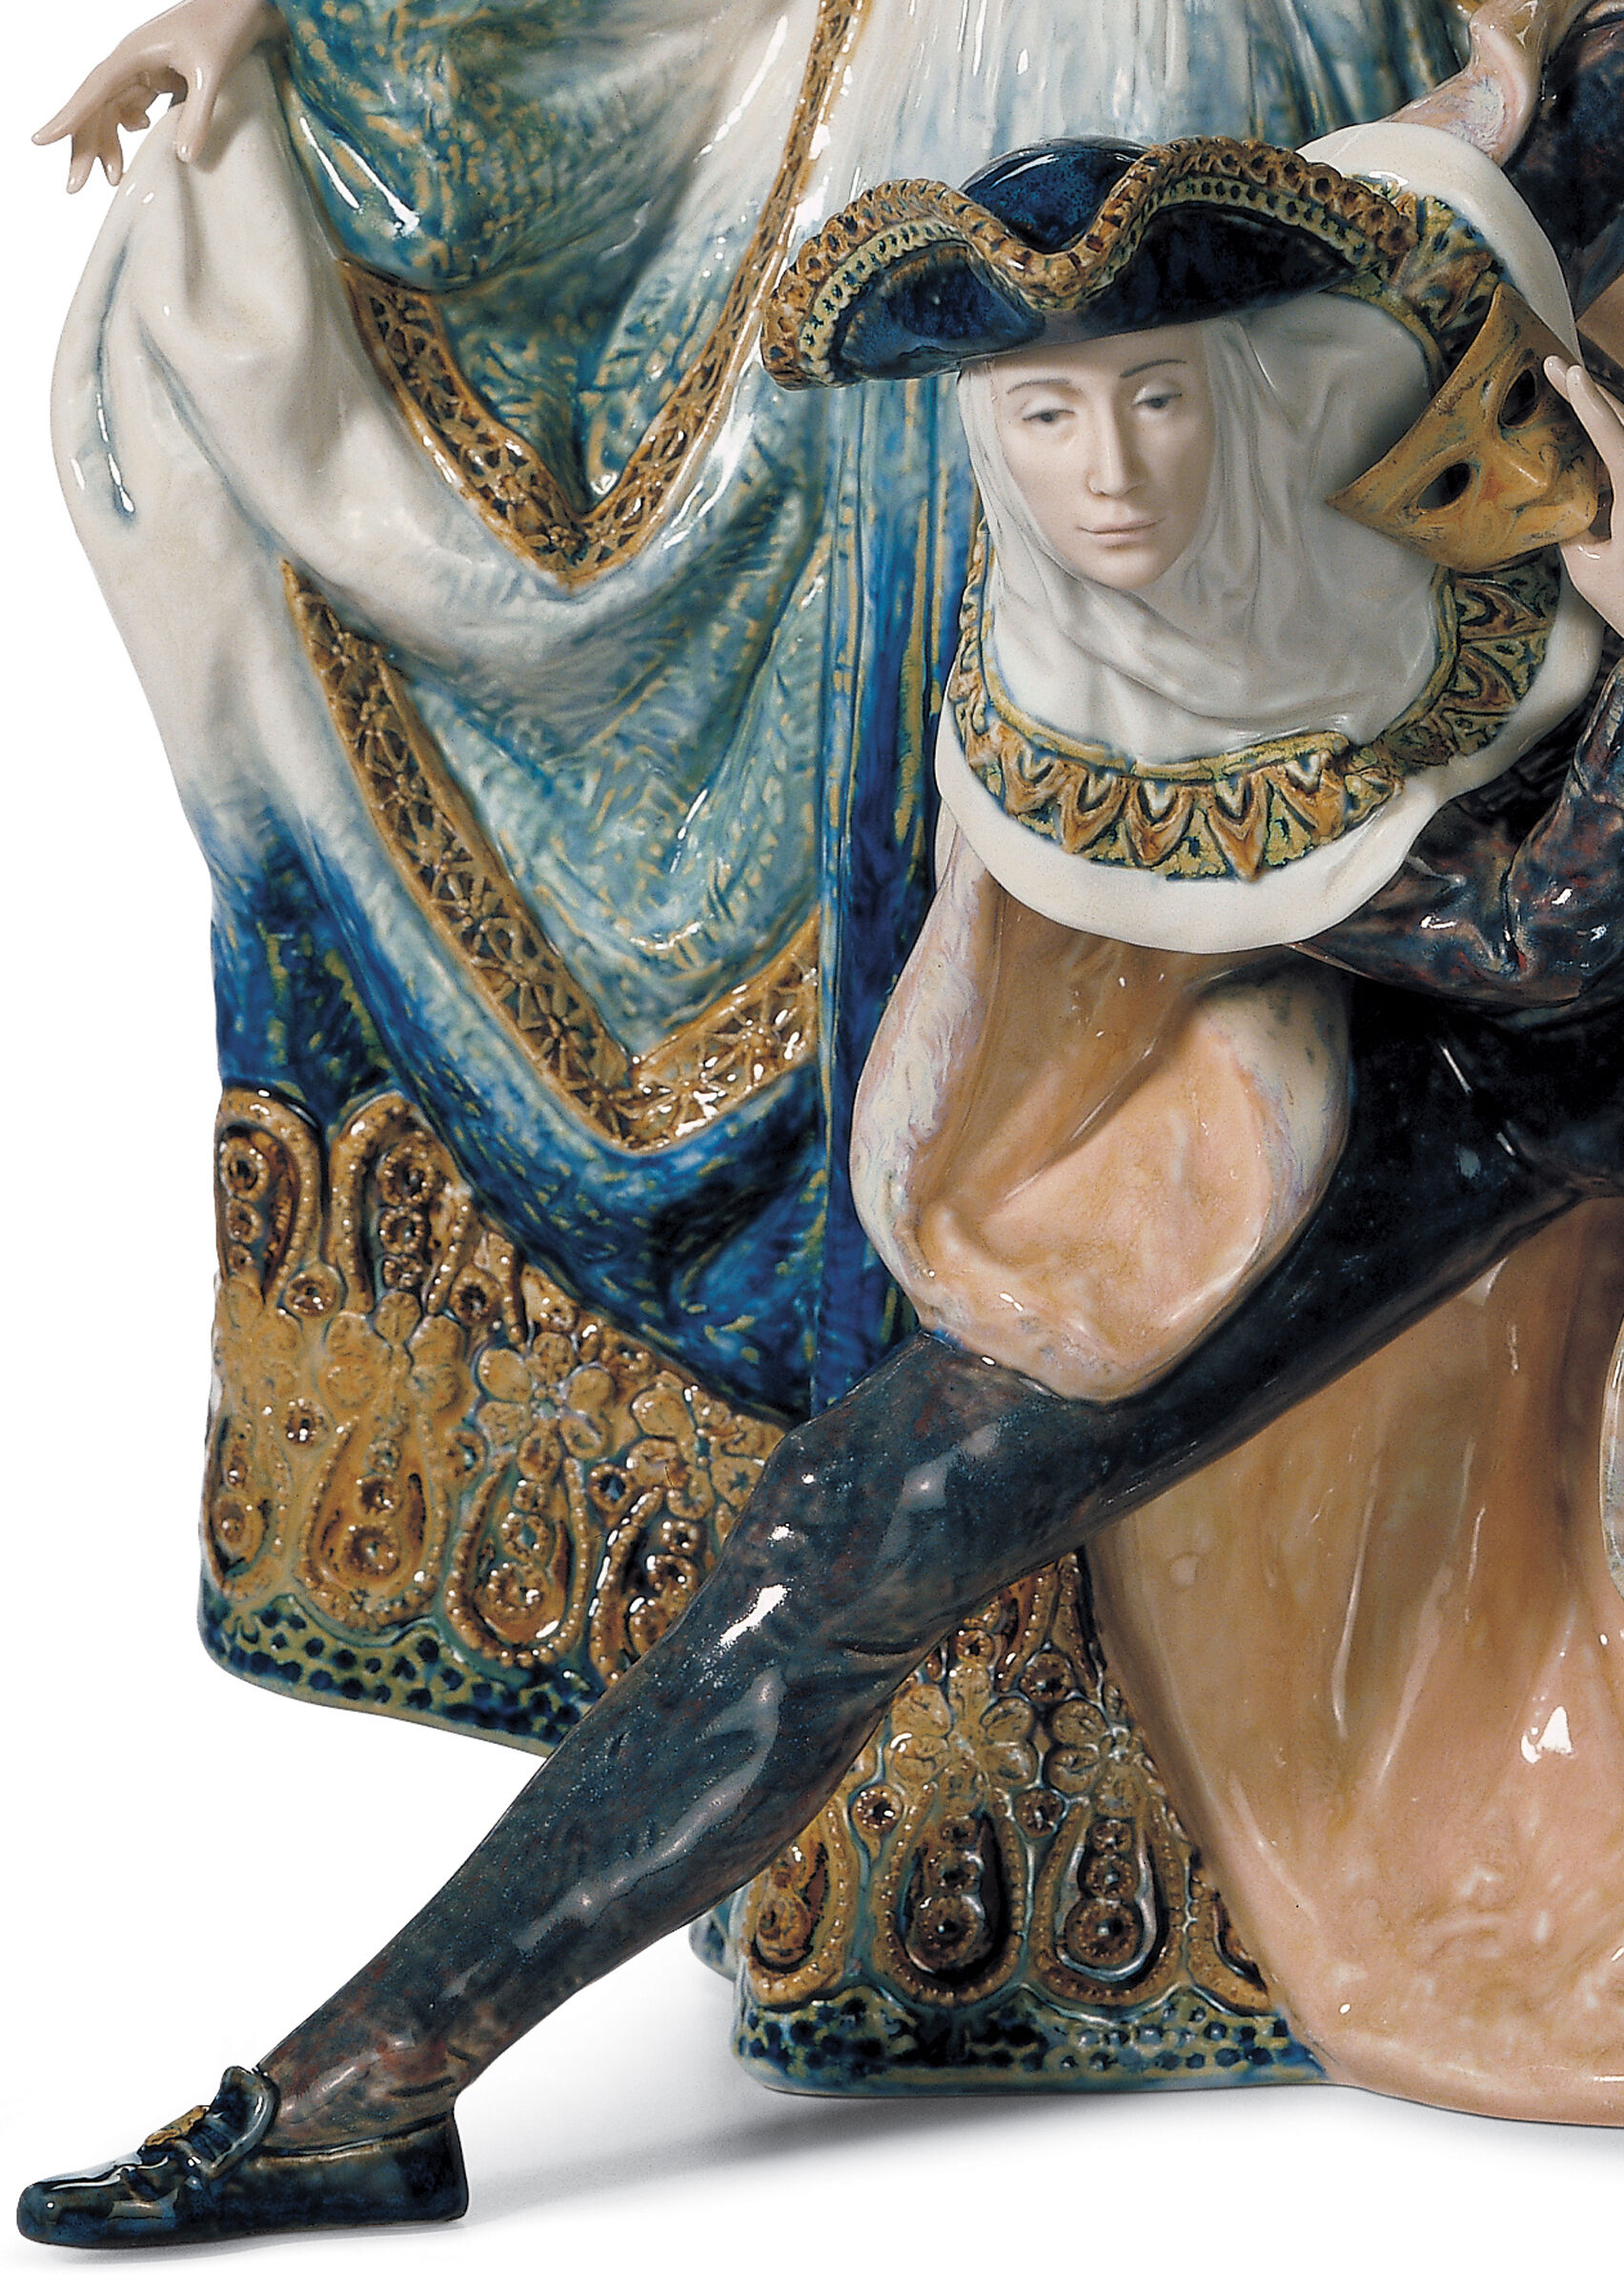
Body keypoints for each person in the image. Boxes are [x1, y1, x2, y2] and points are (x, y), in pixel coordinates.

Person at [19, 91, 1624, 2241]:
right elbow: (1431, 925)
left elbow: (1557, 934)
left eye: (1153, 400)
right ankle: (364, 2074)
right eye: (1049, 418)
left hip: (1553, 1044)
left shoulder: (1430, 374)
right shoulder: (1146, 635)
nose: (1115, 474)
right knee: (867, 1519)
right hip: (1441, 1074)